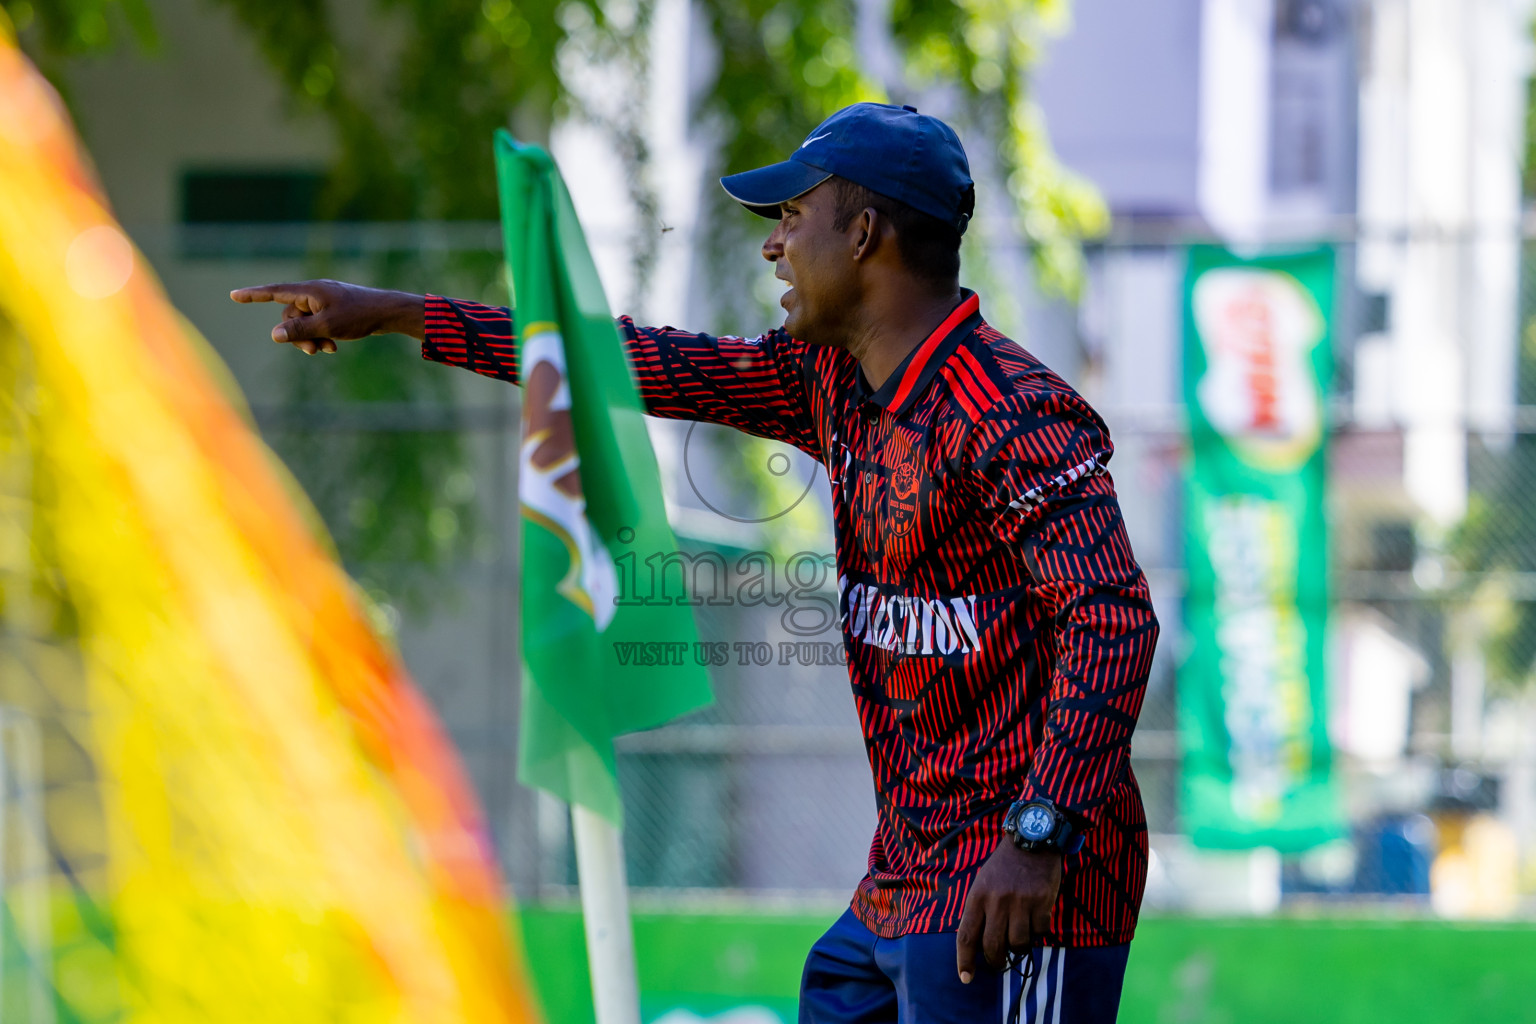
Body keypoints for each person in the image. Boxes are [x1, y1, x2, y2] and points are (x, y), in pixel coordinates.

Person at [232, 101, 1159, 1024]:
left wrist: (1036, 840)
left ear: (866, 233)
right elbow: (624, 362)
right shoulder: (828, 380)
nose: (772, 246)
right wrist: (401, 315)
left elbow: (1112, 619)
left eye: (792, 217)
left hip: (1022, 889)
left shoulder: (1012, 408)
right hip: (904, 879)